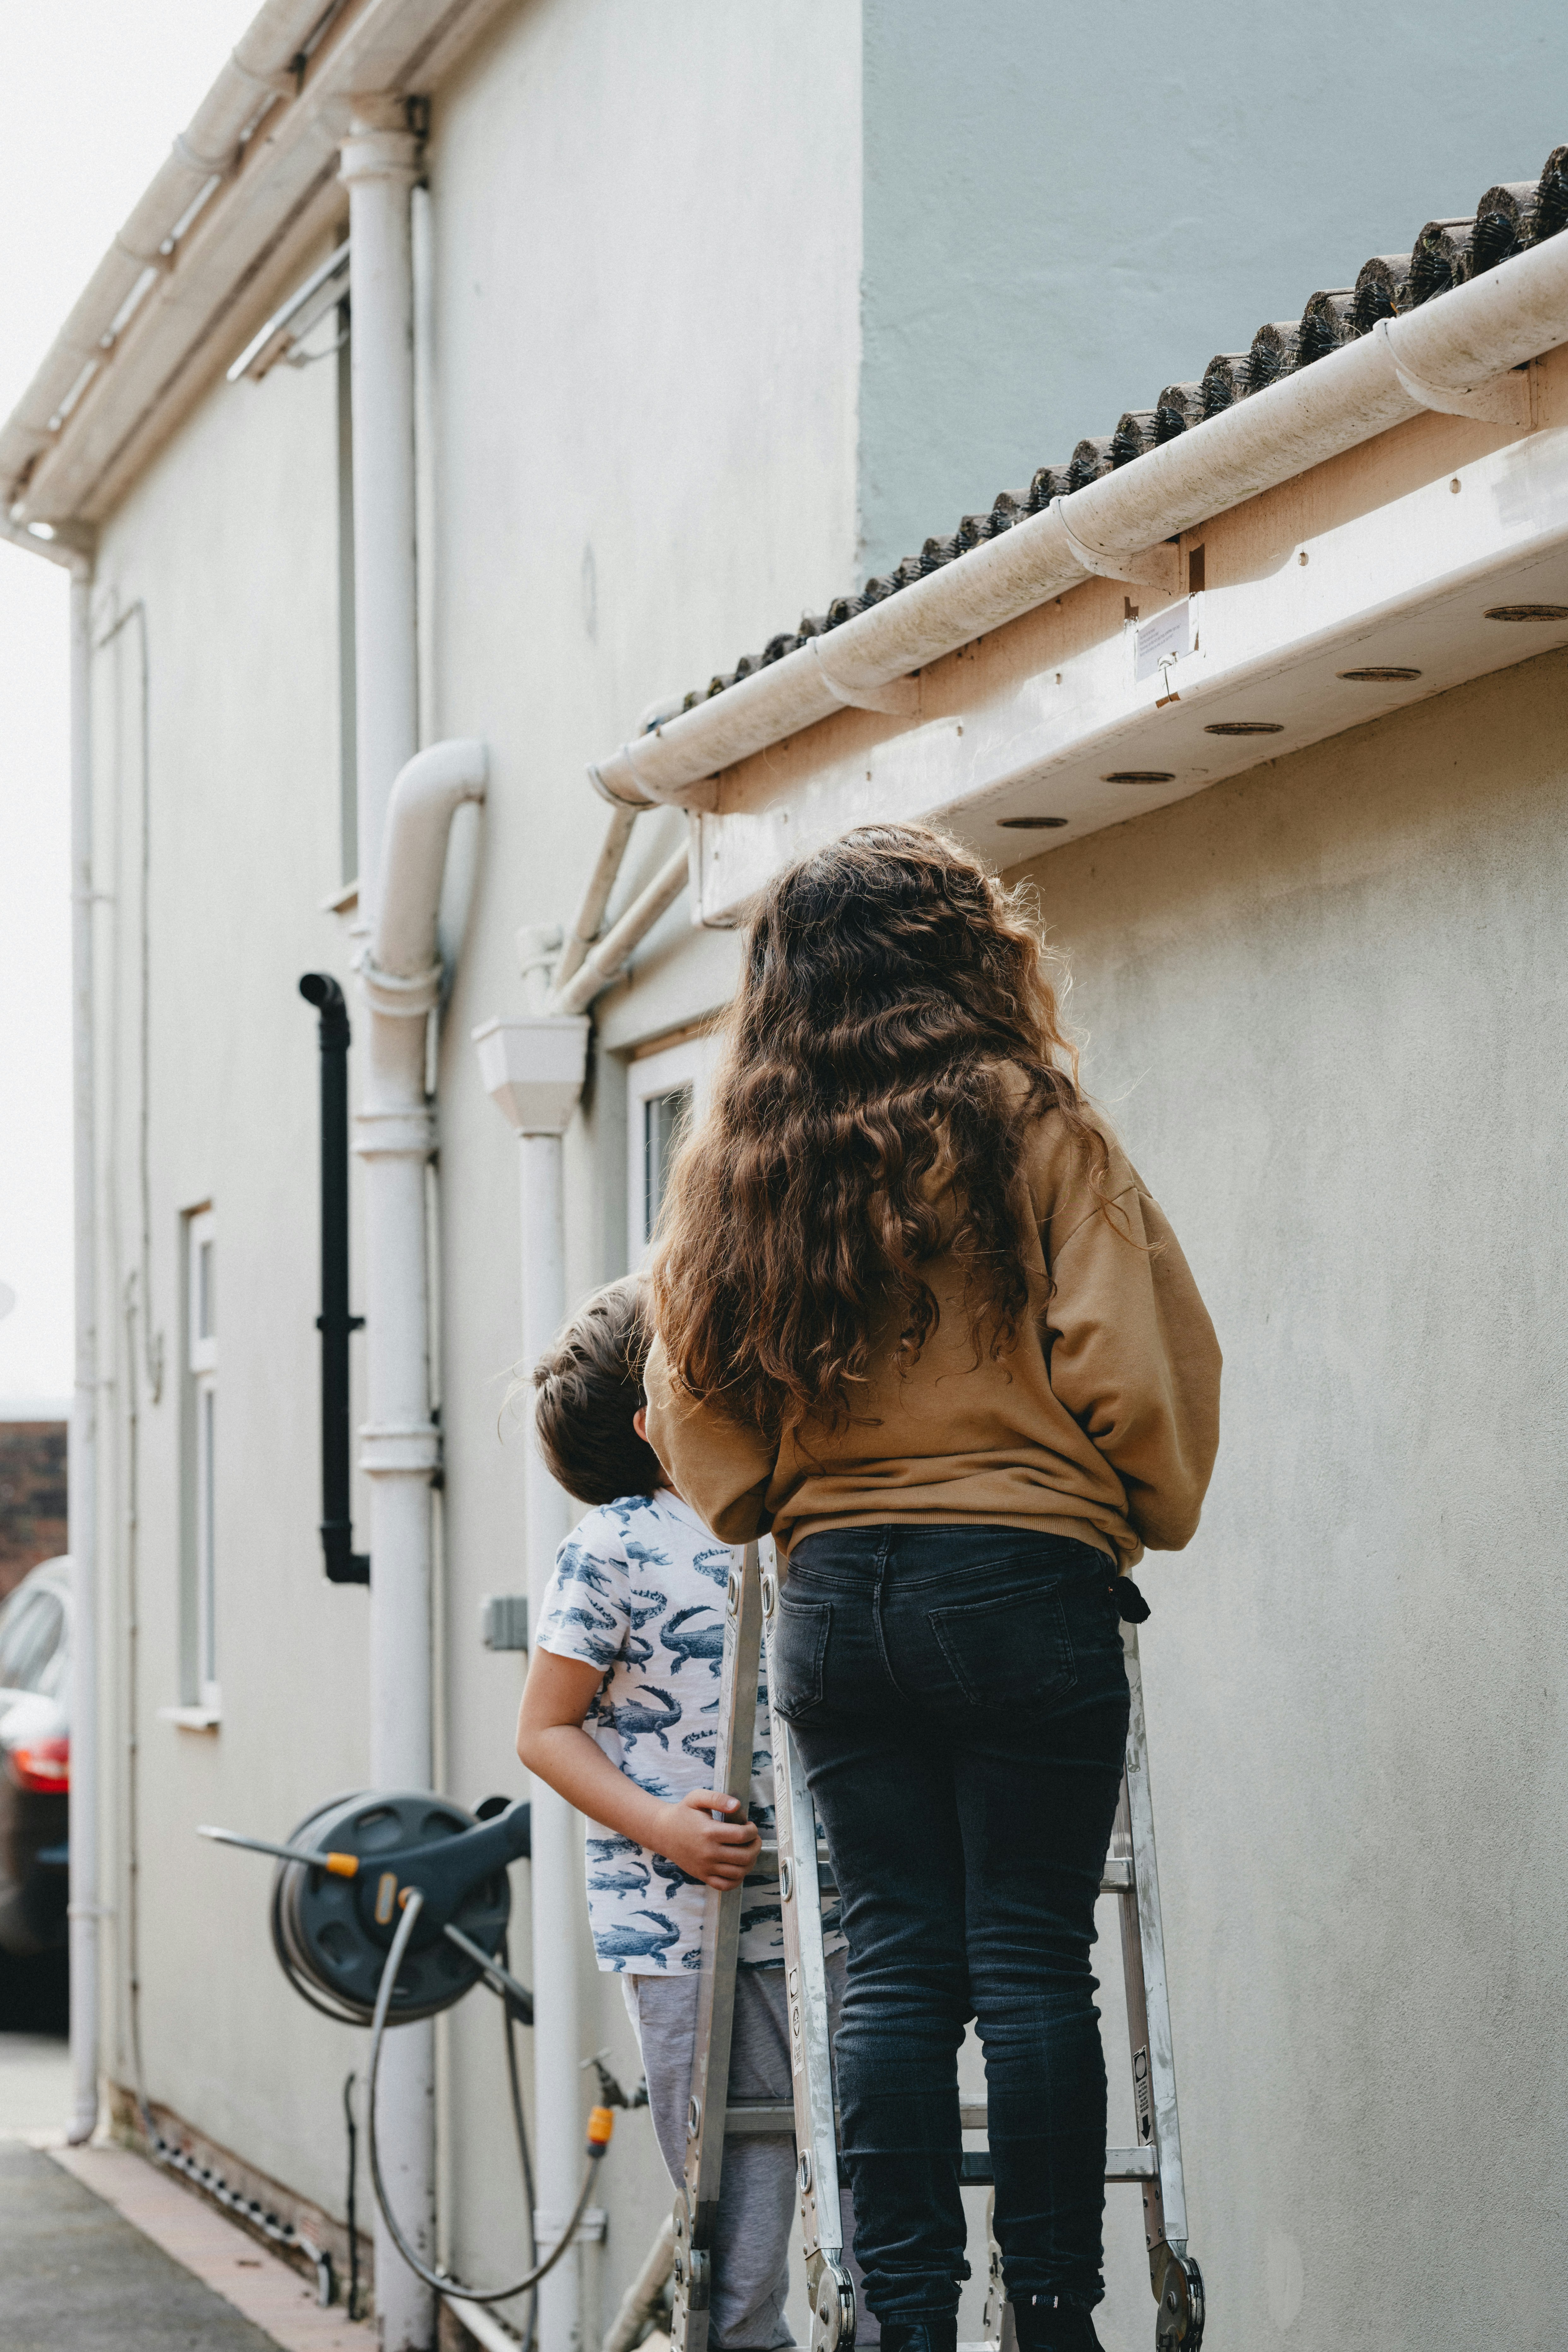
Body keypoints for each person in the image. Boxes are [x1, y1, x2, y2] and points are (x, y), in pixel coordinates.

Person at [643, 824, 1222, 2352]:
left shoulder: (743, 1158)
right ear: (970, 952)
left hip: (838, 1602)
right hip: (1025, 1580)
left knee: (891, 1960)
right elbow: (1137, 1363)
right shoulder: (1034, 1124)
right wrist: (1134, 1509)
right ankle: (1049, 2318)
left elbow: (690, 1400)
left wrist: (774, 1505)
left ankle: (904, 2323)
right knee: (1032, 1954)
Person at [515, 1277, 871, 2352]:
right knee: (741, 2202)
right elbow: (545, 1729)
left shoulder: (783, 1511)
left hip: (821, 1916)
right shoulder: (614, 1545)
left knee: (862, 2171)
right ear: (655, 1417)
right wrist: (662, 1824)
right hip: (680, 1933)